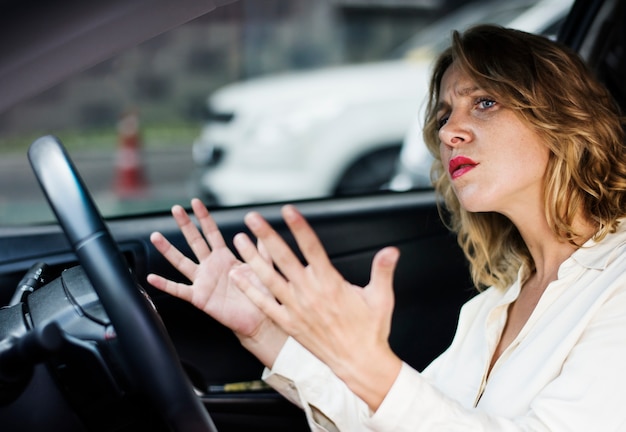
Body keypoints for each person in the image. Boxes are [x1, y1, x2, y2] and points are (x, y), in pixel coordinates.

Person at [147, 24, 626, 431]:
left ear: (564, 118)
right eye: (444, 114)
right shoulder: (492, 306)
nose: (447, 131)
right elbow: (401, 418)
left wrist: (375, 369)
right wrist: (265, 332)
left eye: (483, 103)